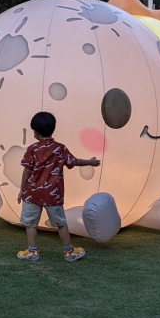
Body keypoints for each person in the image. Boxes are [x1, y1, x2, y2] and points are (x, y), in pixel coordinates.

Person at [17, 111, 101, 261]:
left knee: (30, 223)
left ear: (35, 132)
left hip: (32, 194)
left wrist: (22, 189)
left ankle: (32, 252)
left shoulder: (32, 149)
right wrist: (90, 162)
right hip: (53, 194)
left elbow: (26, 171)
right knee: (60, 222)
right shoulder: (60, 149)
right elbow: (74, 161)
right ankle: (69, 252)